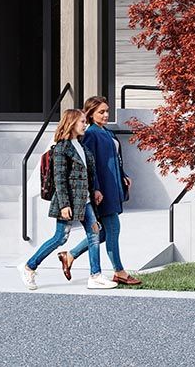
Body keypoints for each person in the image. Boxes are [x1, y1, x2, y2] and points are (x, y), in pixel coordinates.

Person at [18, 109, 112, 290]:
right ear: (71, 123)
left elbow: (87, 174)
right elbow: (60, 179)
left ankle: (95, 276)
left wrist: (95, 190)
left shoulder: (81, 146)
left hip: (85, 201)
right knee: (60, 238)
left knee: (95, 234)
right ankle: (29, 266)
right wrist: (64, 205)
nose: (85, 125)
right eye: (82, 122)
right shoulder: (62, 148)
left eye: (85, 121)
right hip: (68, 201)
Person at [62, 96, 140, 286]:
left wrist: (123, 174)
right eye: (101, 112)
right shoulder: (91, 134)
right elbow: (89, 165)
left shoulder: (107, 132)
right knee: (113, 228)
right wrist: (95, 187)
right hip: (102, 189)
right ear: (90, 114)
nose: (106, 115)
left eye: (107, 111)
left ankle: (69, 256)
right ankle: (119, 272)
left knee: (103, 233)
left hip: (113, 186)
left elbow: (116, 158)